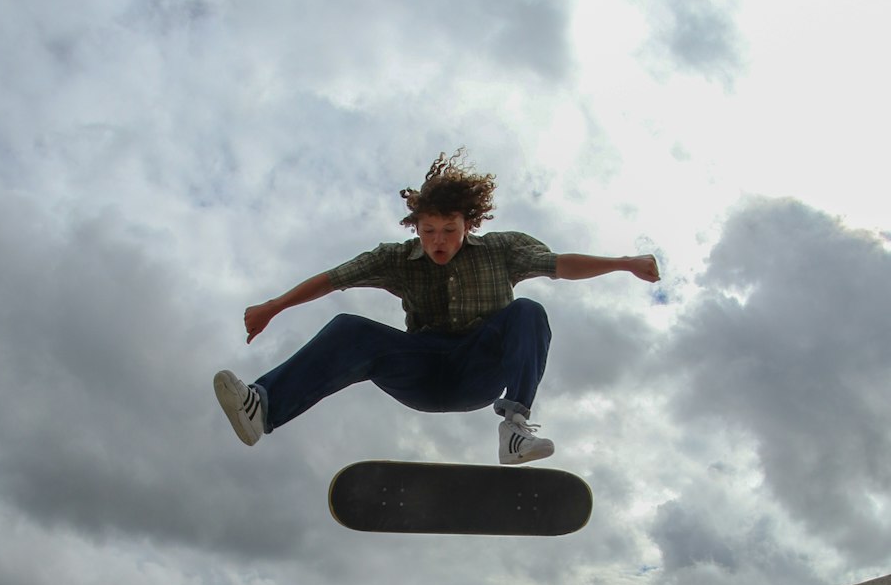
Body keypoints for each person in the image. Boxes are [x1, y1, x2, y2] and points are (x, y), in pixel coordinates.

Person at [214, 150, 660, 464]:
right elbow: (333, 280)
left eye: (449, 230)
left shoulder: (502, 251)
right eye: (429, 232)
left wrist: (623, 263)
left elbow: (559, 264)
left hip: (477, 370)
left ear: (469, 224)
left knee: (528, 312)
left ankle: (515, 431)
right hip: (421, 371)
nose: (439, 242)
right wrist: (274, 306)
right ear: (417, 227)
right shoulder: (394, 258)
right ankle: (265, 407)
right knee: (349, 328)